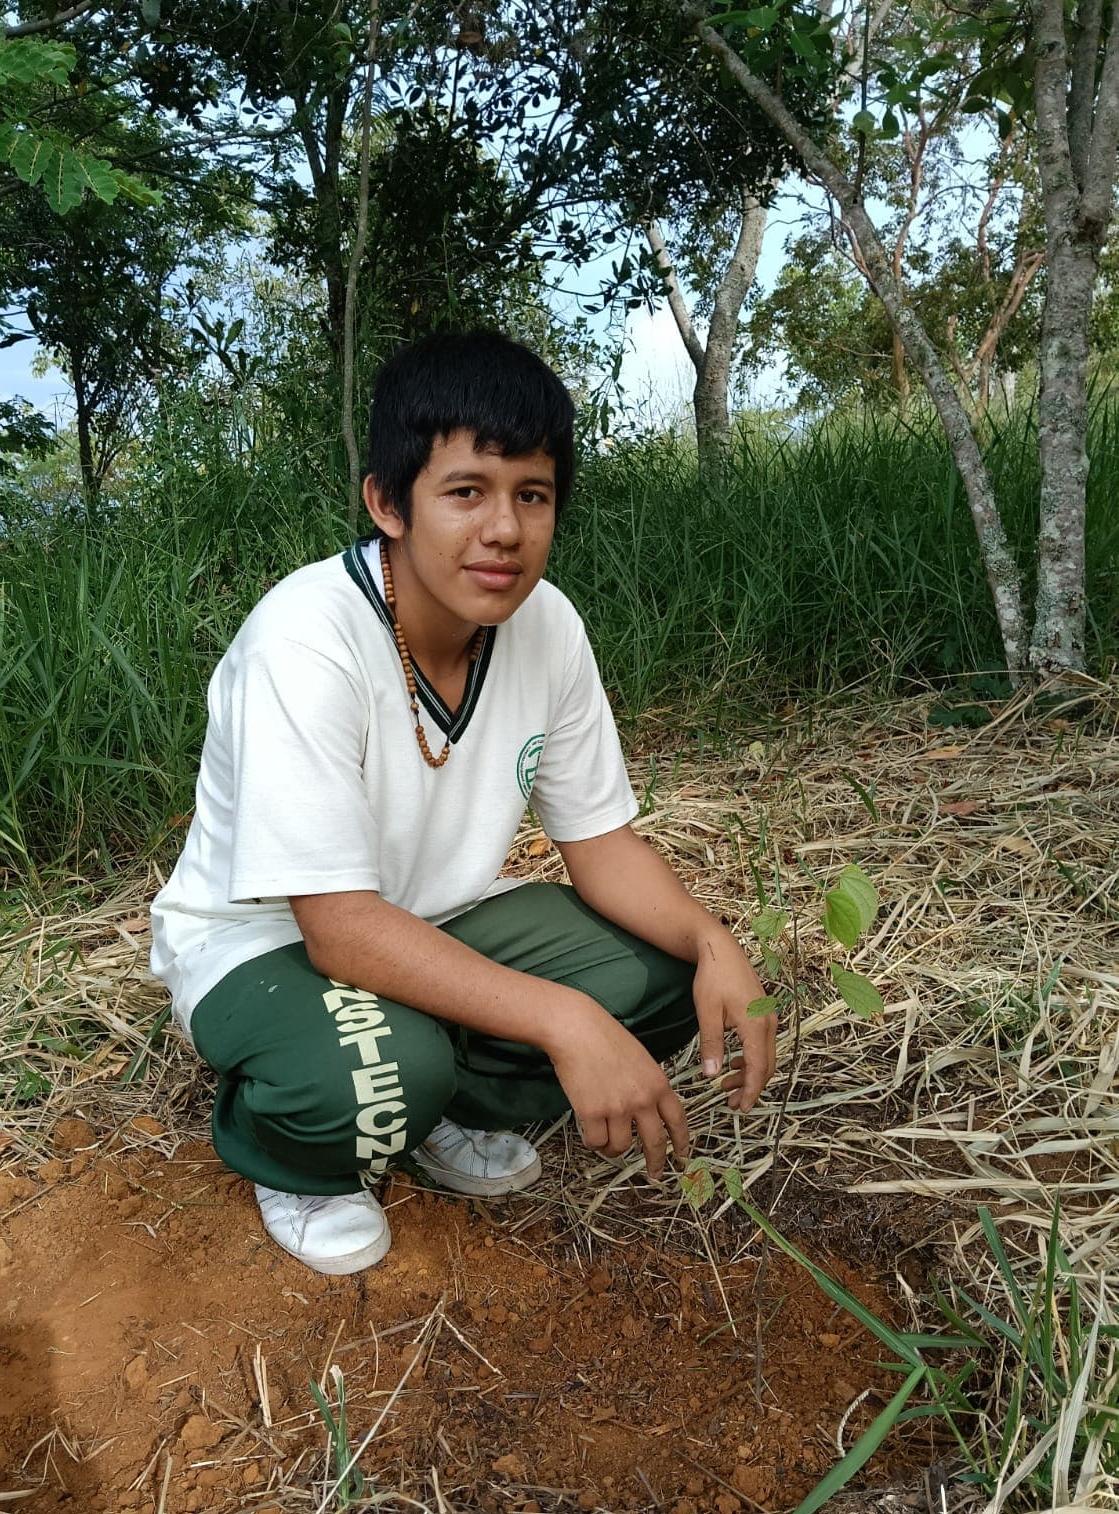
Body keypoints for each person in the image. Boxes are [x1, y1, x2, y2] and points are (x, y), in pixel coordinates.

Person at [149, 331, 777, 1275]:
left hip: (433, 922)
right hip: (265, 944)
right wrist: (564, 1020)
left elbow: (601, 841)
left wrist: (715, 942)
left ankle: (441, 1112)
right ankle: (296, 1155)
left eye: (533, 494)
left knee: (658, 969)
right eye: (465, 492)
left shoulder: (548, 626)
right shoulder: (306, 638)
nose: (505, 530)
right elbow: (339, 933)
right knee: (379, 1073)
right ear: (387, 503)